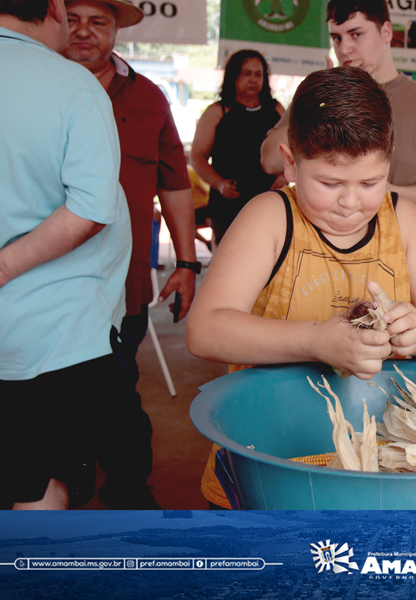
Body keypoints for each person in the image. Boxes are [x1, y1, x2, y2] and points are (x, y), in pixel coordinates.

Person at [185, 66, 416, 508]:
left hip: (377, 467)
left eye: (370, 182)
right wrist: (317, 339)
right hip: (267, 463)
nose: (350, 202)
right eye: (329, 183)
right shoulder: (270, 217)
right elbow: (205, 331)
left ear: (389, 166)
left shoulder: (405, 221)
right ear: (290, 161)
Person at [63, 0, 200, 509]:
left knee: (117, 393)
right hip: (40, 282)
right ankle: (62, 493)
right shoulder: (33, 87)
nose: (83, 32)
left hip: (124, 285)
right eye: (72, 18)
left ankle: (127, 492)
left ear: (117, 28)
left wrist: (186, 264)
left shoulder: (148, 97)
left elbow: (175, 185)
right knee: (50, 401)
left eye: (97, 21)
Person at [0, 0, 131, 509]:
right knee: (41, 487)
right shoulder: (72, 85)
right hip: (51, 338)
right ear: (53, 7)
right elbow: (91, 207)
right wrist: (7, 264)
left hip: (47, 335)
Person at [260, 0, 416, 217]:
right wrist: (329, 97)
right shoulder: (319, 96)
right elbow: (270, 161)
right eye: (337, 38)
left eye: (356, 34)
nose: (344, 48)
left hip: (402, 244)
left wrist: (388, 193)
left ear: (386, 32)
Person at [191, 49, 285, 245]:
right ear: (233, 76)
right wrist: (219, 183)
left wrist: (284, 175)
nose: (253, 80)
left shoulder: (276, 110)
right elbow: (198, 157)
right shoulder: (217, 112)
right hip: (228, 205)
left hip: (269, 201)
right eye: (246, 73)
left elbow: (297, 149)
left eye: (258, 74)